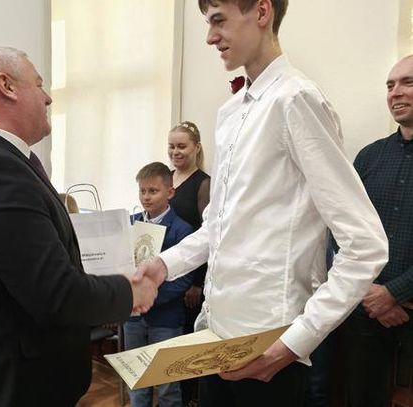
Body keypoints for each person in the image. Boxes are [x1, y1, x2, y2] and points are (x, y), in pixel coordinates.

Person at [134, 1, 389, 406]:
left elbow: (366, 245)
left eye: (219, 21)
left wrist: (294, 343)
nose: (209, 37)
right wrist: (164, 265)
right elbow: (218, 226)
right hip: (215, 337)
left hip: (270, 346)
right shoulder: (229, 114)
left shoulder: (296, 99)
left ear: (262, 11)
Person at [0, 46, 157, 407]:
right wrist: (131, 292)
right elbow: (56, 294)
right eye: (40, 84)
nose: (48, 97)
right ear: (6, 86)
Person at [341, 55, 413, 407]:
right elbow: (341, 230)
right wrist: (370, 293)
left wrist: (394, 292)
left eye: (407, 82)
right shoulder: (369, 158)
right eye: (389, 85)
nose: (395, 92)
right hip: (365, 313)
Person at [125, 162, 195, 407]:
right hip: (132, 317)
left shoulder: (182, 230)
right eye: (142, 191)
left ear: (170, 192)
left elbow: (185, 277)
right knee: (136, 378)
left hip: (166, 318)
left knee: (167, 384)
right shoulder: (130, 224)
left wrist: (150, 296)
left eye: (153, 191)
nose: (146, 197)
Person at [167, 121, 210, 406]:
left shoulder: (203, 183)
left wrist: (197, 283)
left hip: (191, 279)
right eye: (171, 146)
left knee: (187, 342)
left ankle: (190, 398)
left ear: (196, 148)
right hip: (167, 275)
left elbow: (208, 235)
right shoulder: (165, 178)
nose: (175, 152)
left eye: (182, 146)